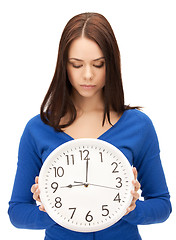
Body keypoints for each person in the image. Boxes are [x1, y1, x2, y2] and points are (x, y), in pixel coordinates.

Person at [8, 12, 171, 240]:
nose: (87, 75)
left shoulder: (139, 126)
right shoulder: (37, 129)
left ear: (111, 64)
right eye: (76, 65)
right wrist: (52, 210)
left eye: (98, 64)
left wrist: (131, 208)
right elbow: (17, 212)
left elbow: (162, 206)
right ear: (63, 66)